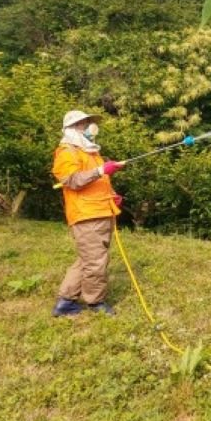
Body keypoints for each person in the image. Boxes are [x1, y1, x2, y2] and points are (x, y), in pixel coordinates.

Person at [50, 110, 125, 317]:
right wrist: (101, 170)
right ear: (73, 128)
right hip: (87, 215)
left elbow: (97, 182)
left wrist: (112, 195)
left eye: (89, 123)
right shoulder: (67, 152)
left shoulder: (90, 152)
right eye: (85, 124)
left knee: (88, 259)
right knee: (95, 261)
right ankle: (95, 303)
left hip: (100, 211)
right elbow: (73, 181)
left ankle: (65, 302)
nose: (91, 128)